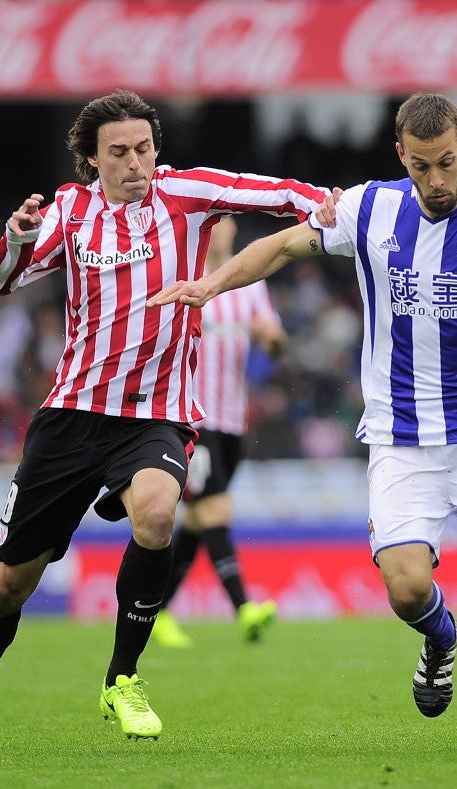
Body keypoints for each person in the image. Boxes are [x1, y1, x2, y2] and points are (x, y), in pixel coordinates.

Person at [150, 92, 457, 719]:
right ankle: (442, 639)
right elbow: (283, 246)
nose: (436, 179)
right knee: (406, 589)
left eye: (446, 162)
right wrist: (211, 285)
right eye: (421, 166)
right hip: (400, 436)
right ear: (401, 155)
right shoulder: (370, 208)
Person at [0, 89, 329, 750]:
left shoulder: (186, 193)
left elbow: (270, 192)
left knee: (157, 514)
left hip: (157, 413)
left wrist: (330, 204)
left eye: (144, 149)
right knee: (8, 585)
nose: (136, 163)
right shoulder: (70, 211)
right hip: (72, 414)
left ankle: (122, 679)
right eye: (120, 152)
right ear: (92, 161)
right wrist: (17, 238)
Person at [150, 216, 284, 649]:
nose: (219, 229)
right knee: (215, 510)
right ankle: (244, 608)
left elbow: (278, 345)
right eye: (213, 220)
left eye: (224, 220)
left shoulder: (251, 285)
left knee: (196, 521)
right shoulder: (183, 279)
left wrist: (271, 339)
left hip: (232, 424)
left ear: (233, 229)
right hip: (194, 421)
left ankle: (156, 611)